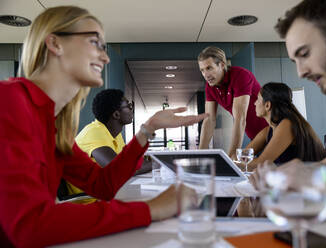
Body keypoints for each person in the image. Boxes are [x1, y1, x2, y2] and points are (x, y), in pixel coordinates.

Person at [0, 6, 208, 247]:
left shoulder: (55, 125)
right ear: (55, 44)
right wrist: (149, 210)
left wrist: (149, 128)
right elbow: (29, 225)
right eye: (95, 43)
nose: (106, 57)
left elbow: (103, 186)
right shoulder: (9, 101)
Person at [251, 0, 326, 219]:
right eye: (294, 61)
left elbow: (325, 183)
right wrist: (285, 175)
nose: (300, 72)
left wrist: (323, 187)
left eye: (305, 54)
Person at [65, 89, 151, 203]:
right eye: (129, 106)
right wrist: (156, 163)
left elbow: (130, 162)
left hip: (108, 194)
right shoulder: (94, 132)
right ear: (116, 114)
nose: (132, 110)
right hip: (90, 202)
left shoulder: (115, 135)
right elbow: (120, 170)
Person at [198, 46, 267, 159]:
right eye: (202, 70)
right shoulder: (210, 87)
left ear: (222, 65)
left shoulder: (240, 76)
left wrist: (231, 157)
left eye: (209, 68)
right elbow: (209, 120)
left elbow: (240, 118)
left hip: (271, 131)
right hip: (255, 137)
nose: (206, 74)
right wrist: (200, 155)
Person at [240, 82, 326, 170]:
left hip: (316, 180)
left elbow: (260, 164)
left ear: (267, 105)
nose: (254, 103)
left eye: (258, 99)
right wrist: (235, 160)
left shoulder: (287, 125)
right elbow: (242, 156)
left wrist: (234, 163)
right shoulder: (268, 130)